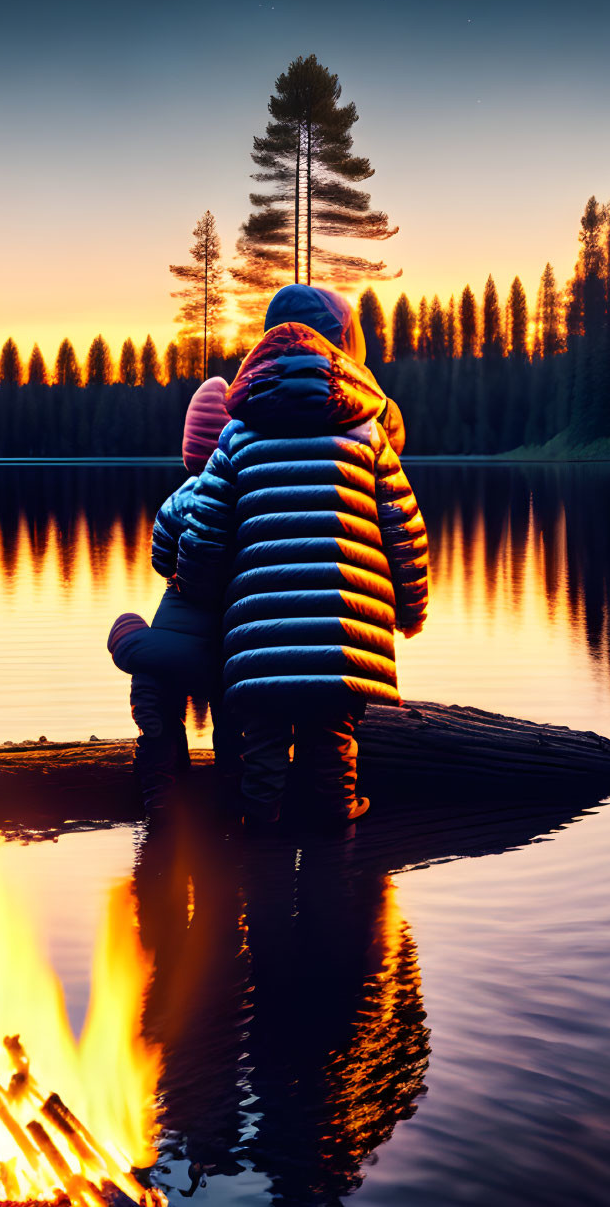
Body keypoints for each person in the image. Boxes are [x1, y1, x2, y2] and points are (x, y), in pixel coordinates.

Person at [180, 285, 430, 828]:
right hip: (348, 630)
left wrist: (199, 598)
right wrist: (410, 610)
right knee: (333, 743)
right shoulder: (367, 434)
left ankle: (260, 840)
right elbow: (404, 532)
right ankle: (337, 850)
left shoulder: (236, 438)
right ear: (345, 345)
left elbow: (203, 534)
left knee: (263, 745)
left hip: (258, 633)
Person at [107, 375, 238, 816]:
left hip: (176, 630)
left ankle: (161, 792)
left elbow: (162, 560)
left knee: (155, 691)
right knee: (231, 718)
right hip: (232, 635)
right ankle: (233, 797)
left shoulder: (176, 501)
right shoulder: (251, 495)